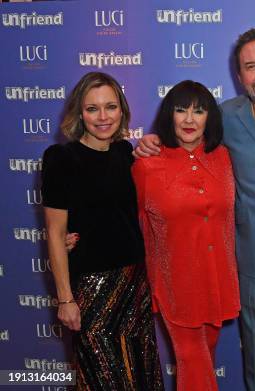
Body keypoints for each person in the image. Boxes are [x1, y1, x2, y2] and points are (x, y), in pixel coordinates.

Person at [135, 29, 255, 391]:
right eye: (251, 67)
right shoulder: (223, 117)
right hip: (250, 260)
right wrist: (152, 142)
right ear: (239, 75)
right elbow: (186, 144)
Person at [42, 71, 163, 390]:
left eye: (110, 106)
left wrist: (152, 143)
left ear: (122, 109)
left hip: (134, 285)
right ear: (79, 113)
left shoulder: (126, 153)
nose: (102, 116)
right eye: (92, 108)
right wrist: (65, 299)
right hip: (91, 290)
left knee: (139, 375)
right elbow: (55, 234)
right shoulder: (60, 158)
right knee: (101, 378)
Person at [132, 80, 240, 391]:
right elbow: (127, 218)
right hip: (176, 283)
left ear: (210, 117)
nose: (190, 120)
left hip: (218, 278)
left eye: (199, 111)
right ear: (169, 115)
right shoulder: (147, 165)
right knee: (193, 360)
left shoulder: (224, 157)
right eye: (181, 111)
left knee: (204, 357)